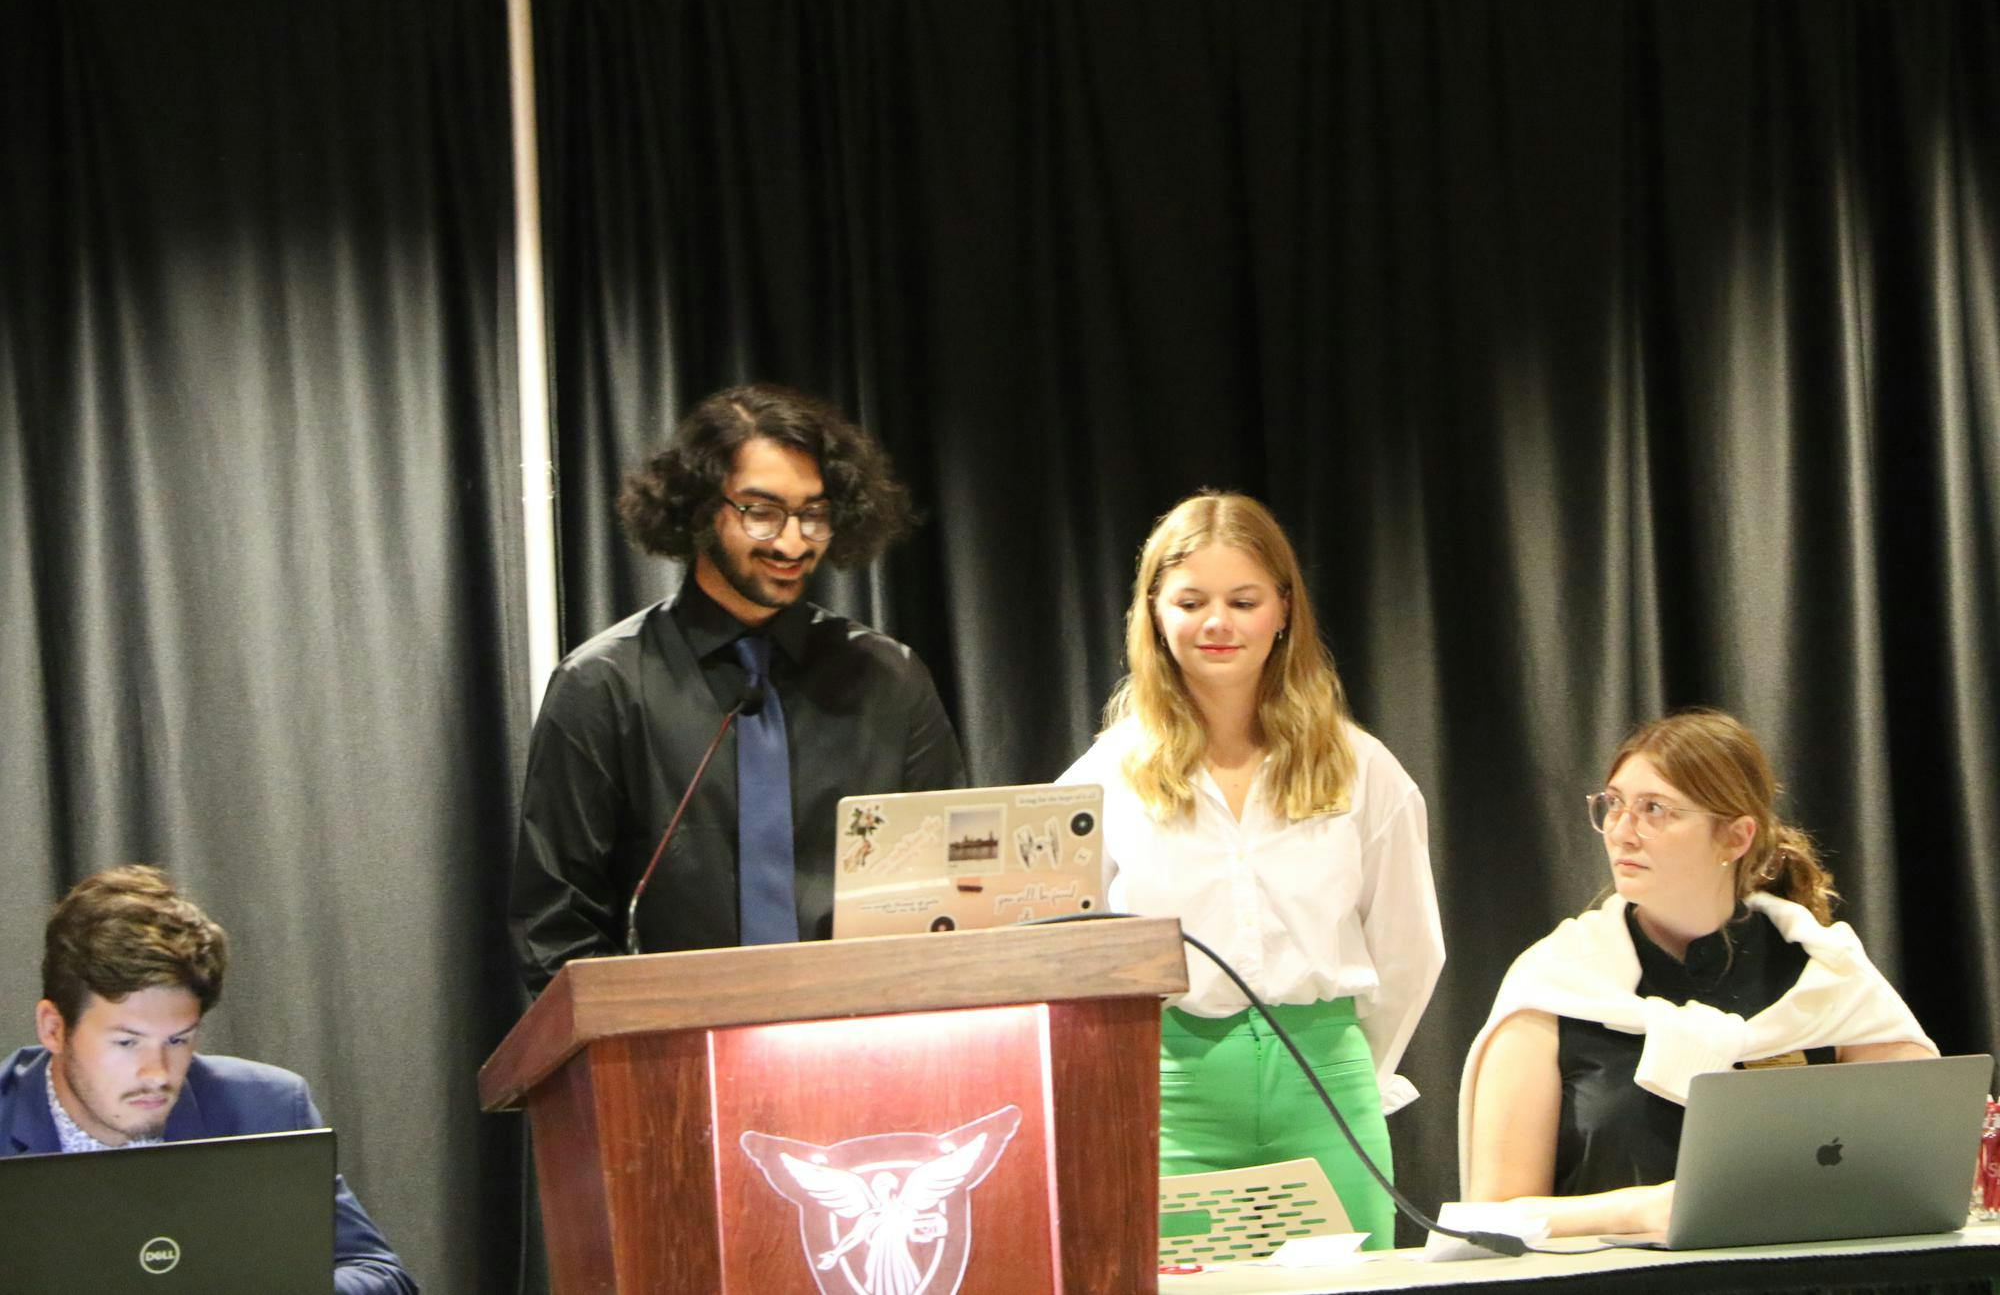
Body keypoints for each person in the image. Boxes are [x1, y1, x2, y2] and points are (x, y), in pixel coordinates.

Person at [1059, 491, 1443, 1250]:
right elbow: (1062, 955)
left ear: (1284, 610)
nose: (1217, 623)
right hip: (1173, 1102)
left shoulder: (1363, 768)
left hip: (1327, 1093)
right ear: (1155, 615)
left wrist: (1345, 1066)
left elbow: (1410, 948)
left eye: (1243, 599)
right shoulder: (1106, 776)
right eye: (1191, 600)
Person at [510, 383, 967, 993]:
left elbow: (956, 892)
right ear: (700, 509)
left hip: (870, 1044)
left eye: (814, 513)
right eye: (762, 512)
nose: (793, 541)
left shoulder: (891, 679)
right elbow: (555, 927)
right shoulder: (602, 687)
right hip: (668, 1058)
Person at [1459, 708, 1935, 1236]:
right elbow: (1492, 1215)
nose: (1621, 831)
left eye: (1655, 809)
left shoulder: (1825, 975)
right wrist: (1636, 1211)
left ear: (1735, 838)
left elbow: (1922, 1160)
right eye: (1613, 805)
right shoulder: (1555, 983)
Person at [0, 866, 416, 1294]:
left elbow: (382, 1275)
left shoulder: (267, 1108)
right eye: (127, 1043)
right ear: (53, 1028)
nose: (158, 1072)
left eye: (178, 1040)